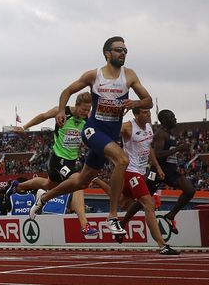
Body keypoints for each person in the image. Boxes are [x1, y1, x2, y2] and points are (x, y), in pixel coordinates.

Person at [30, 36, 152, 236]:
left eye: (125, 50)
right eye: (118, 49)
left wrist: (135, 104)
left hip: (109, 136)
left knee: (81, 182)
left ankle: (43, 198)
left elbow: (148, 101)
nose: (123, 53)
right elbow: (67, 91)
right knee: (122, 160)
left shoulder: (129, 76)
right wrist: (61, 110)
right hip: (93, 131)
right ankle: (113, 217)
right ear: (107, 53)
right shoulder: (94, 76)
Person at [9, 92, 97, 235]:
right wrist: (24, 127)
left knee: (48, 185)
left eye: (88, 110)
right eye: (83, 109)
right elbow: (43, 116)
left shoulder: (88, 118)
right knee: (78, 182)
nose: (86, 113)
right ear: (77, 105)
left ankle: (18, 186)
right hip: (58, 159)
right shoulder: (62, 112)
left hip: (71, 162)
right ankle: (84, 225)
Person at [119, 109, 195, 234]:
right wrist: (178, 148)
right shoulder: (161, 134)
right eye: (173, 117)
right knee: (143, 201)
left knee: (190, 190)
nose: (175, 119)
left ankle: (170, 215)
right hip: (158, 172)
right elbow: (158, 154)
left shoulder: (171, 133)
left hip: (170, 171)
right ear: (165, 120)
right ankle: (123, 222)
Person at [116, 107, 179, 254]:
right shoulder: (128, 126)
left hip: (141, 171)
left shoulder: (149, 128)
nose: (148, 115)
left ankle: (118, 225)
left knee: (122, 202)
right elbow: (111, 130)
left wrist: (157, 166)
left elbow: (149, 148)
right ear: (136, 114)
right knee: (148, 203)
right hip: (131, 172)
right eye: (144, 113)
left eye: (149, 113)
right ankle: (162, 245)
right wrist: (118, 115)